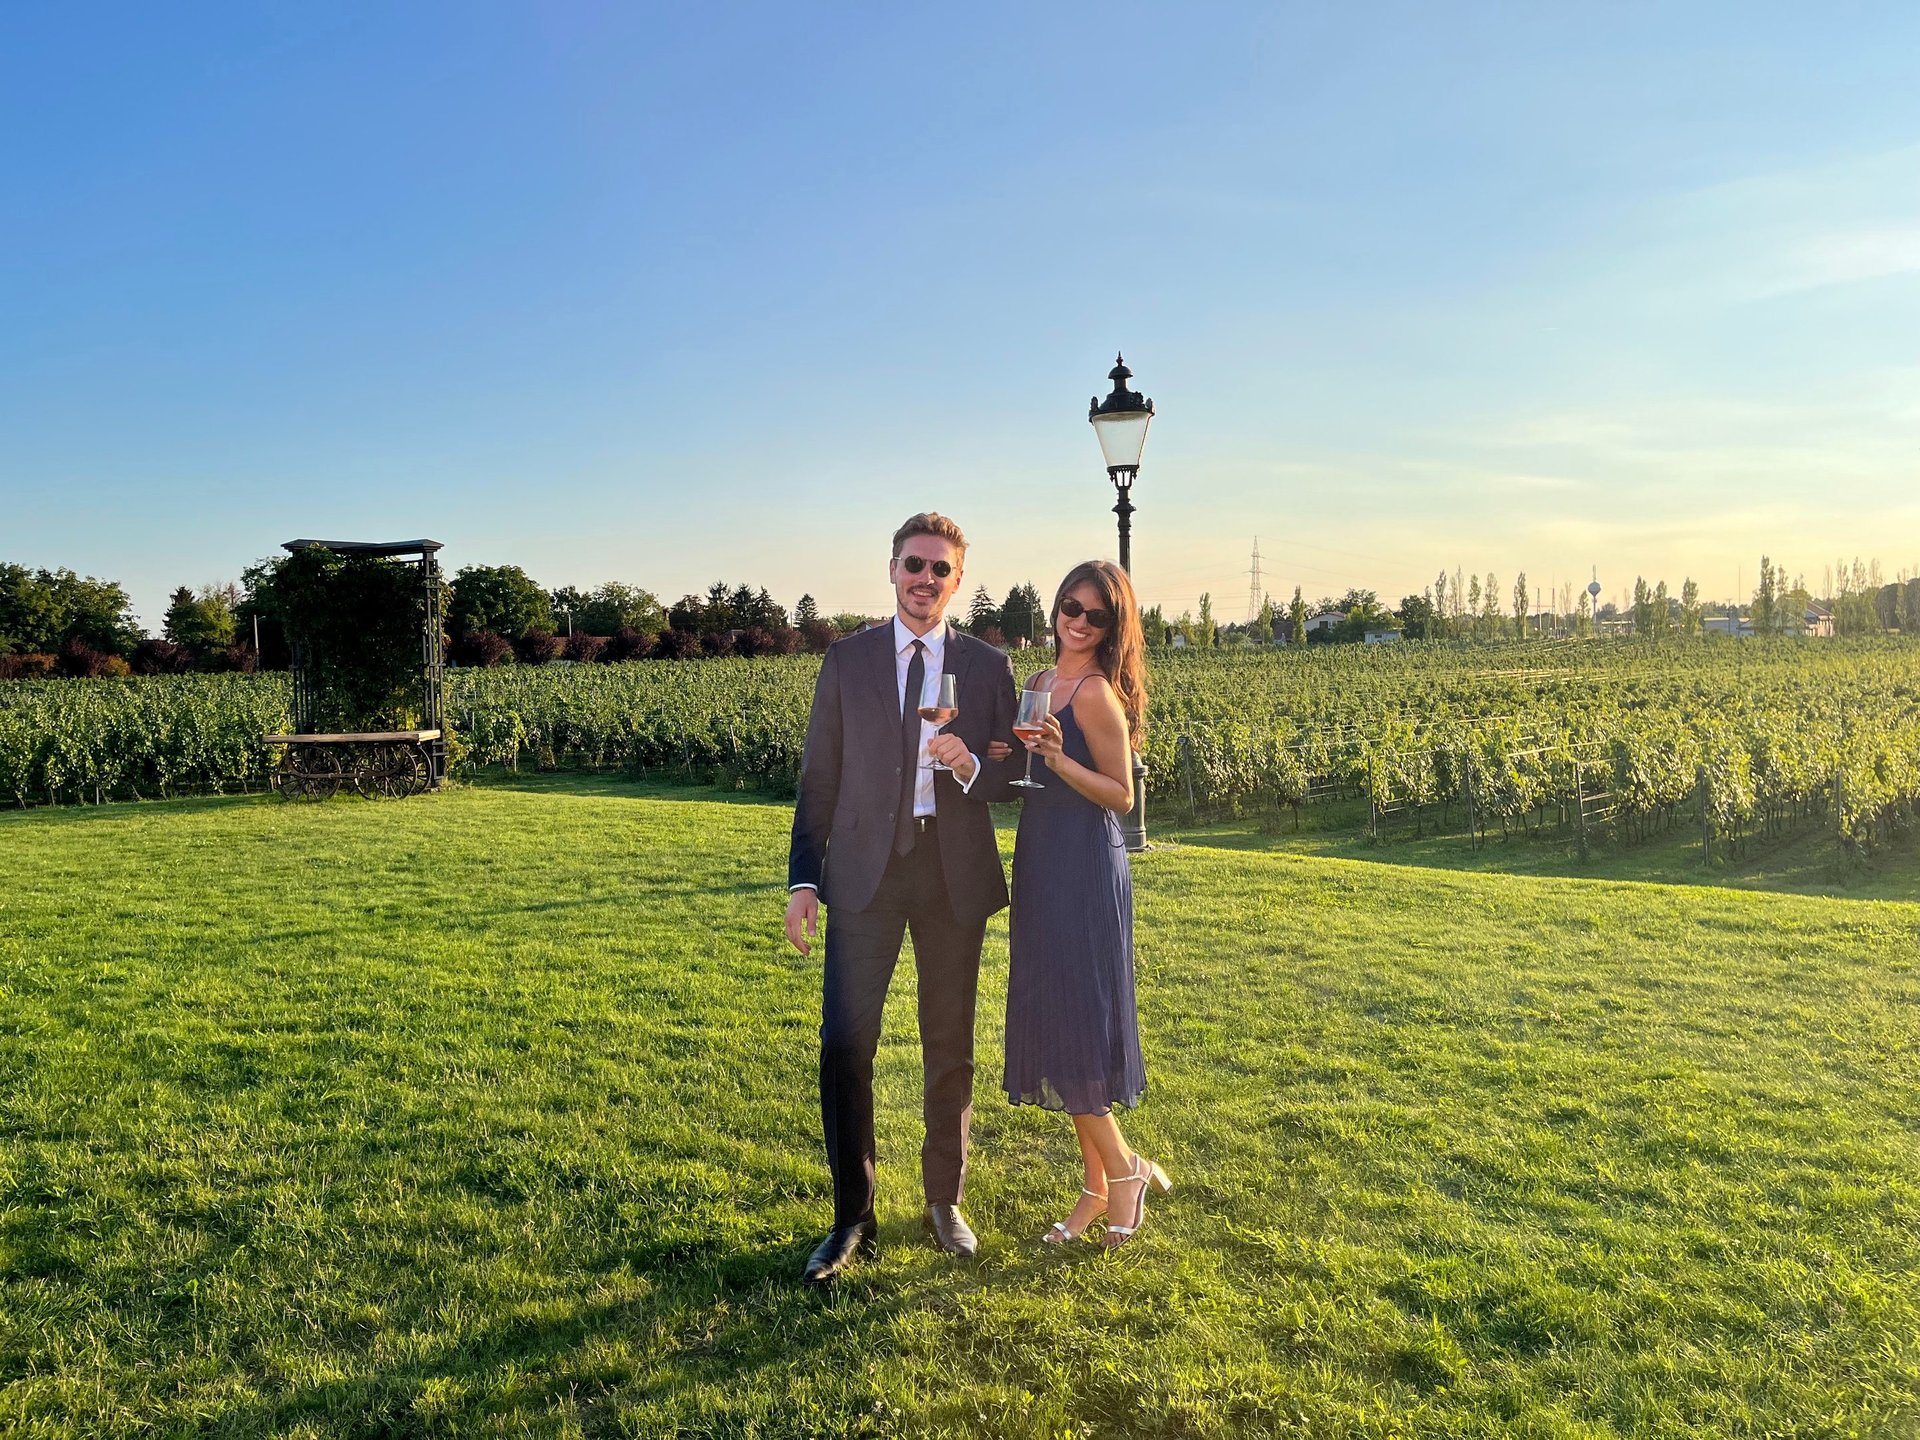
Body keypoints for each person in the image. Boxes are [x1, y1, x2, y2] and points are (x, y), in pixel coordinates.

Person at [784, 512, 1018, 1284]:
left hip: (951, 875)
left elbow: (1008, 778)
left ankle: (943, 1200)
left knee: (949, 1044)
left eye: (940, 570)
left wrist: (968, 769)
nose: (925, 580)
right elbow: (821, 775)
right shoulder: (847, 660)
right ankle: (853, 1216)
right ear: (891, 570)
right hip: (864, 876)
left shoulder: (986, 668)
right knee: (846, 1042)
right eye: (914, 565)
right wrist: (804, 879)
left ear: (956, 582)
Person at [1003, 559, 1170, 1248]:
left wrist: (1059, 758)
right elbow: (1026, 766)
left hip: (1085, 865)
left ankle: (1125, 1172)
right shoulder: (1041, 683)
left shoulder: (1098, 694)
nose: (1076, 621)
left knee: (1077, 1021)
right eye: (1069, 606)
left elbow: (1121, 797)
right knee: (1057, 1017)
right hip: (1042, 857)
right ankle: (1098, 1187)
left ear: (1112, 627)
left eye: (1094, 615)